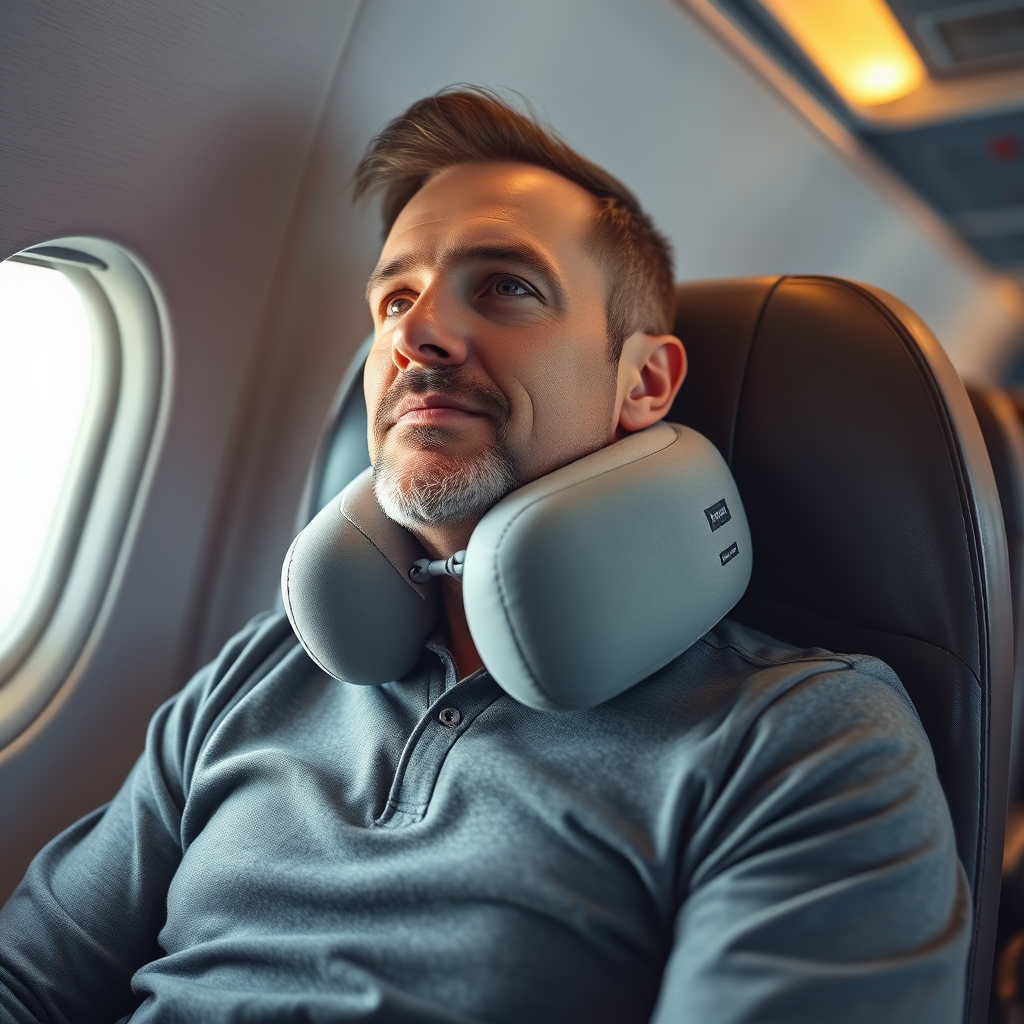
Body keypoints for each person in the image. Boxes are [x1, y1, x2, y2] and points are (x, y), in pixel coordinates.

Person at [0, 88, 969, 1024]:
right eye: (393, 300)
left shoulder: (804, 735)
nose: (417, 334)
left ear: (643, 379)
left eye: (505, 287)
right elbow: (30, 983)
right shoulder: (257, 674)